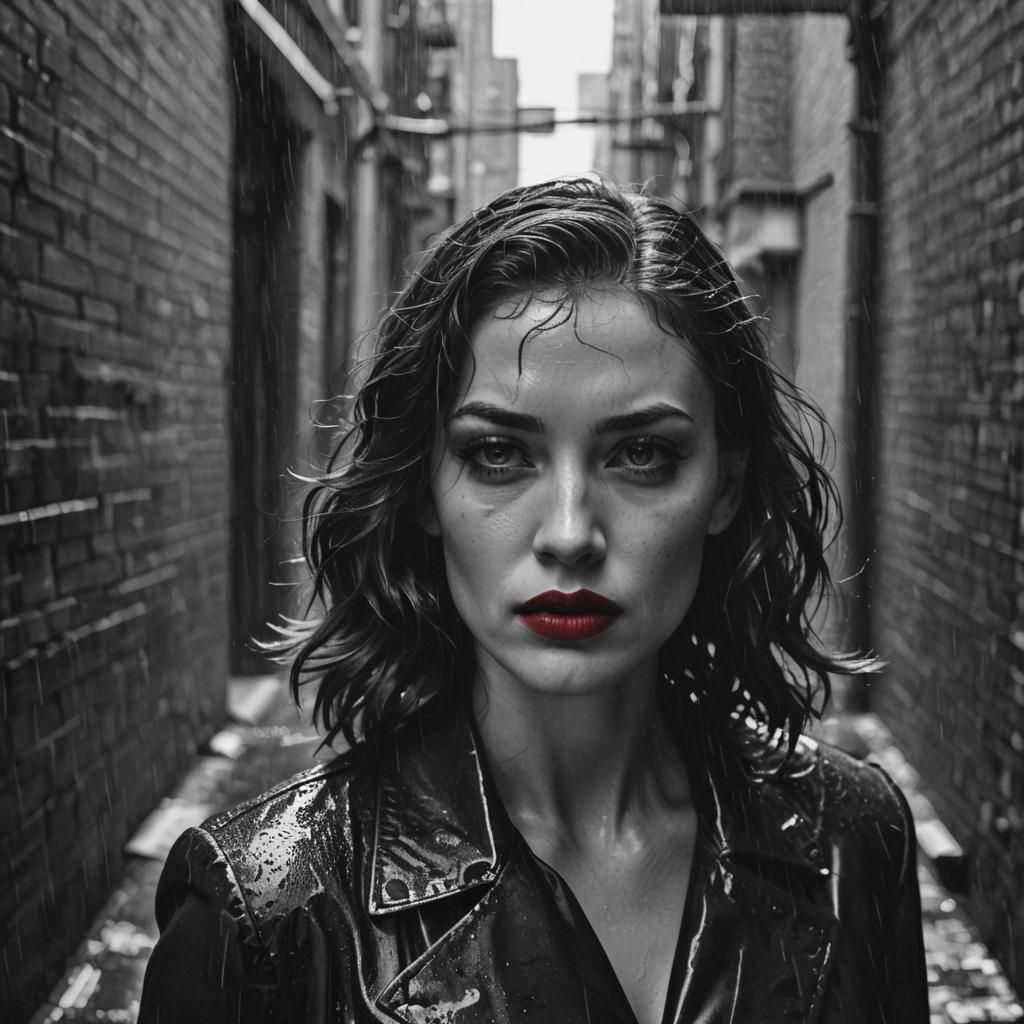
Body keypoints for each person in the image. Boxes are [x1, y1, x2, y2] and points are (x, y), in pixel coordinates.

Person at [139, 176, 929, 1023]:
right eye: (499, 455)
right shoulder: (269, 919)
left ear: (726, 485)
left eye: (641, 455)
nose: (568, 532)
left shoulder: (855, 841)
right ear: (423, 492)